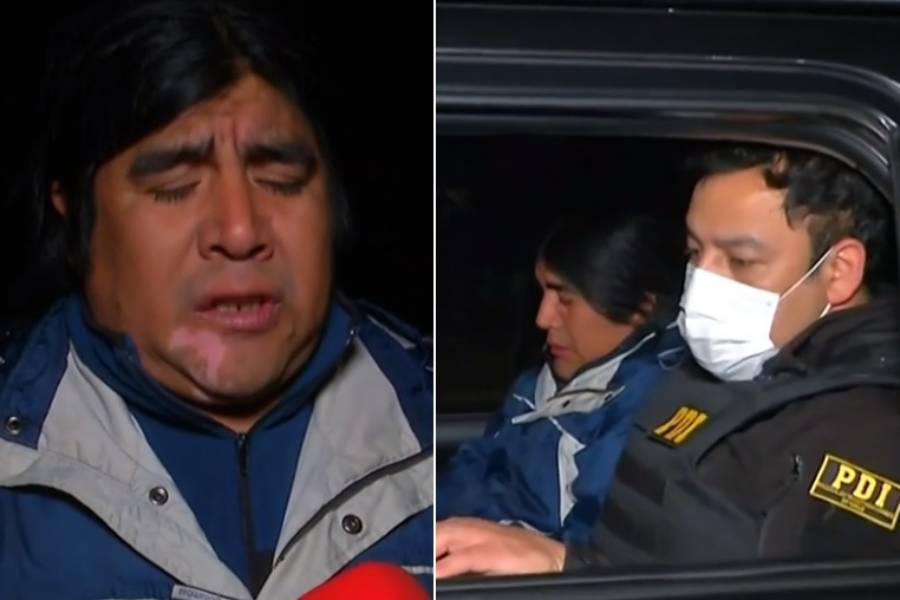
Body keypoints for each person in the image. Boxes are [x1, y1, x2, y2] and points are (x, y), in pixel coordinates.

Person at [0, 2, 432, 599]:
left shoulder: (444, 429)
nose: (240, 230)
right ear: (74, 212)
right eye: (174, 187)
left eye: (281, 180)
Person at [436, 144, 900, 578]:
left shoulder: (865, 432)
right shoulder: (724, 370)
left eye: (740, 260)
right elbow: (638, 554)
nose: (702, 285)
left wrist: (569, 569)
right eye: (695, 253)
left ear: (838, 271)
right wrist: (562, 562)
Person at [437, 211, 684, 544]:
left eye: (565, 300)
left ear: (640, 307)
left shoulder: (651, 407)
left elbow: (593, 547)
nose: (543, 318)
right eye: (542, 294)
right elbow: (475, 465)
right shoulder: (539, 383)